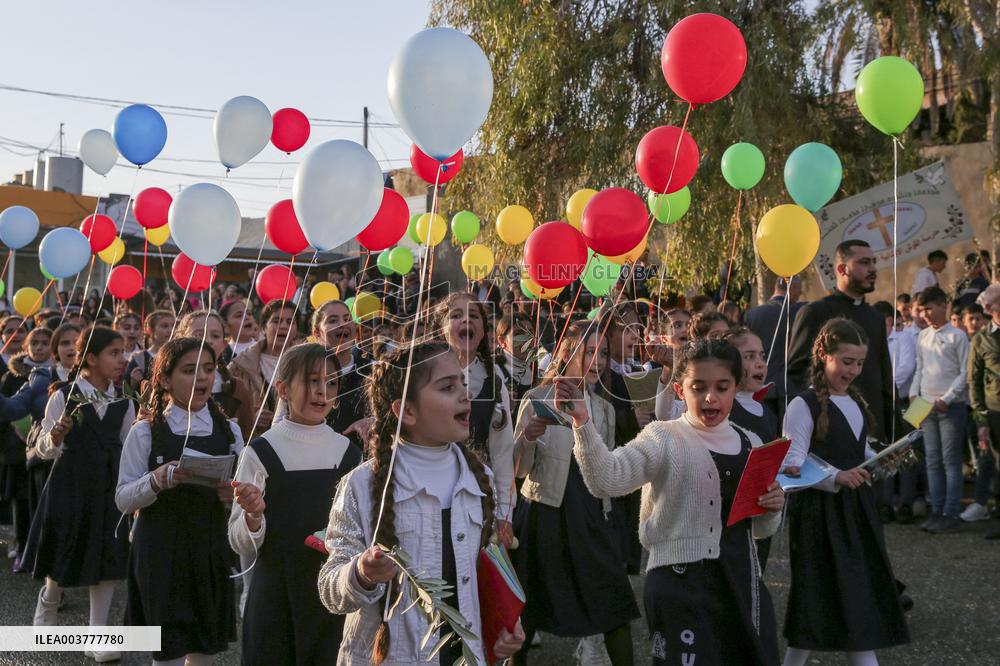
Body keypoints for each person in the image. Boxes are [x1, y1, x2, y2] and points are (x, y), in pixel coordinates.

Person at [571, 338, 784, 665]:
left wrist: (773, 504)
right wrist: (582, 423)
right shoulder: (663, 436)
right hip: (680, 586)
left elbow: (760, 528)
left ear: (734, 389)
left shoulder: (751, 442)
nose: (710, 397)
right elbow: (607, 479)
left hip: (740, 582)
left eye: (722, 387)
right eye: (698, 387)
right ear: (680, 390)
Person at [318, 342, 525, 665]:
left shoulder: (478, 477)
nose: (464, 394)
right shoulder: (361, 485)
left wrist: (505, 625)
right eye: (447, 387)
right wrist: (361, 572)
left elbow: (482, 571)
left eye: (462, 382)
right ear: (408, 412)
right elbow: (330, 587)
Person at [781, 318, 909, 665]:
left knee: (858, 595)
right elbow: (792, 464)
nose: (853, 370)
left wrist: (884, 459)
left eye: (860, 363)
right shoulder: (802, 405)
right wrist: (835, 477)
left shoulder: (854, 402)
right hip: (820, 518)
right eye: (846, 361)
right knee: (815, 595)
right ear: (823, 355)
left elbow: (859, 454)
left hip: (856, 512)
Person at [511, 322, 638, 665]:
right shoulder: (535, 399)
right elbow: (517, 470)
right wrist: (529, 436)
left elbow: (607, 470)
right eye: (590, 352)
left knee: (614, 605)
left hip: (591, 516)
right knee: (524, 613)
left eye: (605, 353)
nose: (599, 361)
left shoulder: (605, 410)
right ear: (567, 354)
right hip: (542, 516)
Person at [231, 343, 361, 665]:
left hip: (331, 592)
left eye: (331, 382)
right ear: (284, 389)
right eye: (312, 381)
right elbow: (238, 541)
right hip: (276, 592)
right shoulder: (260, 451)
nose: (322, 391)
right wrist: (252, 516)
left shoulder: (348, 453)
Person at [116, 338, 243, 666]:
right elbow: (122, 500)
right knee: (168, 647)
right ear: (165, 380)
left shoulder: (230, 431)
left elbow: (244, 496)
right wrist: (156, 480)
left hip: (209, 544)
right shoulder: (145, 432)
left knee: (203, 644)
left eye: (208, 369)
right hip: (160, 547)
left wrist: (233, 496)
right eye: (190, 370)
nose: (202, 377)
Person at [27, 326, 134, 663]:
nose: (121, 360)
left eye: (123, 353)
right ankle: (49, 598)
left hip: (108, 487)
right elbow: (43, 448)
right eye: (113, 353)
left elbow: (129, 445)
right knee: (65, 548)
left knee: (106, 556)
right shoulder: (65, 395)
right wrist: (56, 437)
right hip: (70, 486)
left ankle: (97, 635)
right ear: (91, 358)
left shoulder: (124, 399)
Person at [787, 240, 894, 449]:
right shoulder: (814, 312)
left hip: (872, 429)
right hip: (829, 430)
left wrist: (892, 428)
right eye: (864, 263)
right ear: (842, 269)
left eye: (873, 262)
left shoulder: (876, 318)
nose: (872, 269)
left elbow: (884, 375)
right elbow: (797, 373)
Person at [435, 293, 516, 540]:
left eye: (473, 316)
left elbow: (502, 453)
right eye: (456, 315)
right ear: (442, 329)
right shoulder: (422, 377)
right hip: (431, 496)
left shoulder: (494, 383)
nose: (465, 321)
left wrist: (504, 514)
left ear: (482, 331)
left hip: (478, 501)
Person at [0, 323, 80, 561]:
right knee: (49, 522)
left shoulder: (101, 379)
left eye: (76, 342)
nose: (72, 348)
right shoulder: (42, 376)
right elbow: (14, 408)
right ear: (55, 350)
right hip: (48, 462)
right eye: (65, 342)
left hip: (85, 461)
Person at [910, 286, 970, 534]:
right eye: (922, 310)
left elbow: (964, 372)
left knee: (950, 462)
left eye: (929, 308)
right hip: (924, 406)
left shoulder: (958, 336)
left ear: (943, 305)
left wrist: (947, 397)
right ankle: (936, 510)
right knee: (932, 461)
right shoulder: (923, 336)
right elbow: (919, 368)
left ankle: (951, 512)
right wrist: (914, 394)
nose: (925, 314)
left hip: (950, 407)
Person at [721, 327, 779, 569]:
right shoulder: (725, 407)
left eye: (762, 356)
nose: (760, 364)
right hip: (730, 511)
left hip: (762, 509)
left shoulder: (767, 412)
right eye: (750, 356)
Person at [0, 326, 51, 569]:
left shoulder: (69, 374)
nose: (40, 347)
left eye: (46, 342)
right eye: (36, 343)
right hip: (23, 450)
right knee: (23, 502)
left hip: (64, 455)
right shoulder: (29, 377)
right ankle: (24, 548)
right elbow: (12, 407)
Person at [872, 301, 920, 523]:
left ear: (889, 321)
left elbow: (907, 368)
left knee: (906, 451)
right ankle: (886, 503)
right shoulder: (873, 342)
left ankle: (906, 503)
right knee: (886, 453)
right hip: (883, 403)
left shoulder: (904, 339)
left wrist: (886, 387)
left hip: (905, 401)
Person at [176, 311, 255, 439]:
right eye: (199, 335)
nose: (208, 341)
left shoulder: (237, 389)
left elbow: (247, 437)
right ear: (181, 340)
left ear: (224, 345)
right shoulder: (168, 384)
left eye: (215, 336)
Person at [229, 299, 298, 440]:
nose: (283, 326)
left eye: (290, 322)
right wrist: (249, 417)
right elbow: (225, 412)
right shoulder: (239, 366)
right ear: (263, 328)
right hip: (253, 444)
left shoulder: (306, 364)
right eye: (276, 321)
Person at [310, 300, 372, 449]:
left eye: (347, 319)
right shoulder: (303, 372)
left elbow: (396, 414)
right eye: (333, 320)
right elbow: (281, 421)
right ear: (317, 333)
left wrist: (373, 420)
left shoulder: (373, 369)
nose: (343, 324)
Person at [746, 275, 806, 423]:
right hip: (794, 388)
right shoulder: (802, 312)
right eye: (799, 290)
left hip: (763, 387)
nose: (799, 295)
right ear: (793, 288)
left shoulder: (752, 315)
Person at [967, 284, 1000, 539]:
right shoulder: (981, 339)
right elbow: (974, 382)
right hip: (995, 411)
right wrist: (981, 419)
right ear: (990, 309)